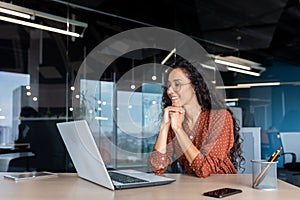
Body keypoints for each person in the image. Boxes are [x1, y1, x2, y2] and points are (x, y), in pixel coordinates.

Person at [148, 60, 244, 178]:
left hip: (222, 189)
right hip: (192, 188)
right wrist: (165, 126)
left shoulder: (220, 118)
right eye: (169, 85)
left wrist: (178, 130)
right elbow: (158, 167)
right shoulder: (175, 120)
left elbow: (204, 169)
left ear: (194, 86)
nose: (169, 91)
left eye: (177, 84)